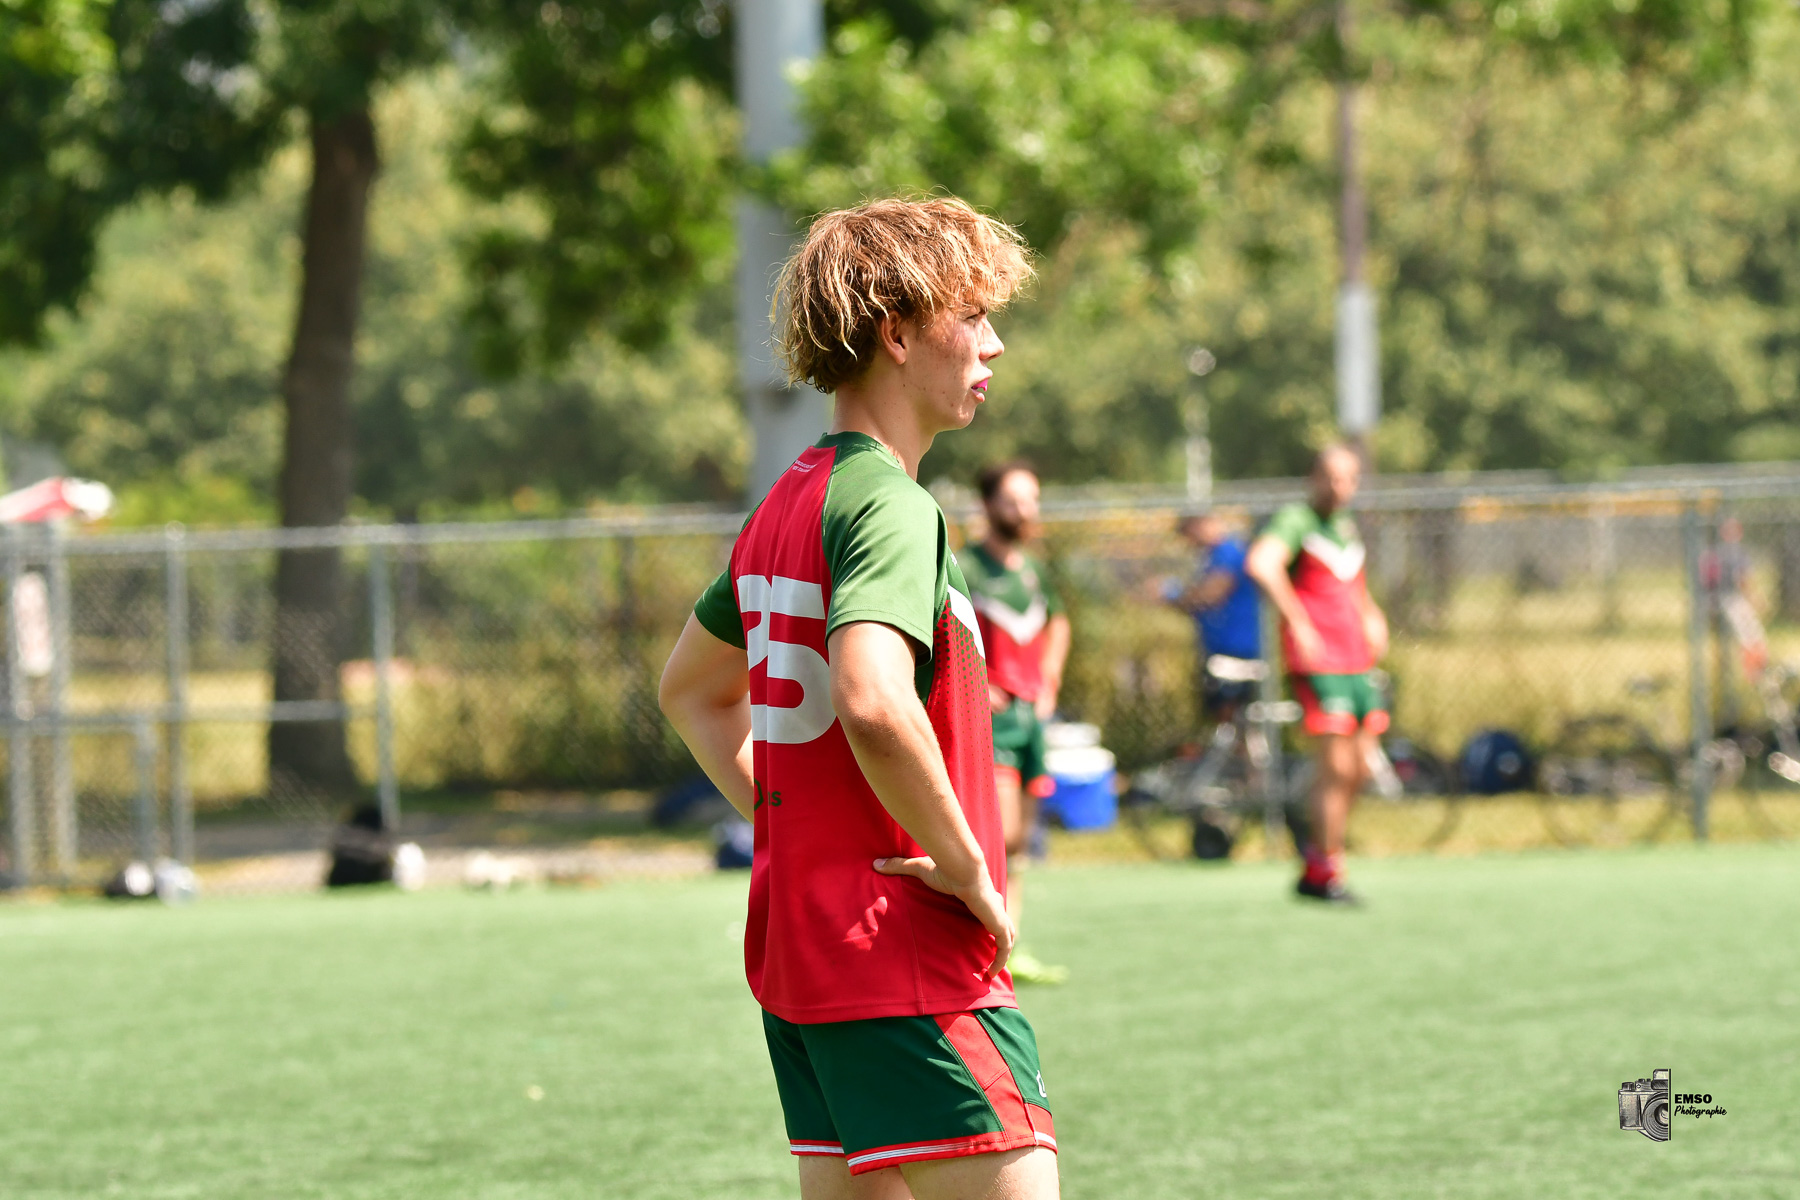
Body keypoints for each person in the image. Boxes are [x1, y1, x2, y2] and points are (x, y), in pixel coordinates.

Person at [658, 198, 1058, 1200]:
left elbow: (691, 693)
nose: (995, 343)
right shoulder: (889, 505)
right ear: (899, 331)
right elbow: (874, 700)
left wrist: (792, 823)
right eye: (973, 315)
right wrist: (970, 868)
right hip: (906, 955)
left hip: (806, 957)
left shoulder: (789, 502)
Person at [1245, 445, 1390, 906]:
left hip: (1356, 661)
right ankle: (1327, 869)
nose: (1339, 486)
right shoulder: (1297, 520)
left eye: (1349, 478)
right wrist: (1299, 620)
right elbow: (1261, 564)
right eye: (1330, 476)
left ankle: (1317, 856)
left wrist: (1372, 615)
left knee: (1363, 766)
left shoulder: (1344, 527)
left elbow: (1352, 587)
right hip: (1320, 661)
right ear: (1313, 477)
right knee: (1337, 767)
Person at [961, 461, 1070, 986]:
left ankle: (1012, 945)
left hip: (1031, 721)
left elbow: (1059, 621)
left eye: (1032, 499)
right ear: (988, 506)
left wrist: (1049, 678)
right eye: (1014, 500)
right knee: (997, 836)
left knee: (1022, 839)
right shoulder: (967, 567)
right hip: (991, 725)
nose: (1026, 511)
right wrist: (975, 682)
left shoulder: (1032, 569)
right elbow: (942, 631)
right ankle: (980, 950)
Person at [1163, 510, 1263, 724]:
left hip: (1236, 649)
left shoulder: (1228, 552)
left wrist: (1172, 597)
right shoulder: (1209, 558)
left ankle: (1239, 755)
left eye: (1188, 534)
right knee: (1222, 710)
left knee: (1231, 711)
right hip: (1218, 648)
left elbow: (1211, 594)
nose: (1188, 543)